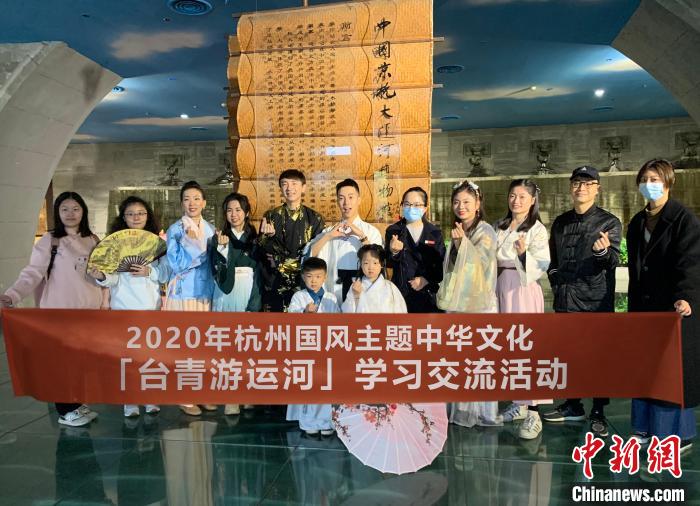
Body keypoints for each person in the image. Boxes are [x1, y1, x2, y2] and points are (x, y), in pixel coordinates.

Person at [0, 192, 104, 427]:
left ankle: (76, 403)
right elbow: (33, 272)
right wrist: (12, 295)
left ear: (83, 211)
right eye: (64, 209)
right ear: (57, 212)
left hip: (88, 314)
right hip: (58, 314)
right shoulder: (50, 240)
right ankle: (65, 411)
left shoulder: (93, 239)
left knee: (81, 362)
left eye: (75, 208)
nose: (70, 214)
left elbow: (103, 276)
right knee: (62, 363)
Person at [626, 158, 699, 454]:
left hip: (673, 309)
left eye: (655, 179)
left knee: (671, 373)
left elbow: (692, 263)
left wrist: (686, 296)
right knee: (644, 370)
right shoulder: (637, 222)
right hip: (644, 310)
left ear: (669, 182)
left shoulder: (683, 219)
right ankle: (643, 428)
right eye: (644, 179)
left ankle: (676, 435)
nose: (649, 184)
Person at [542, 166, 621, 437]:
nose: (581, 188)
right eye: (577, 183)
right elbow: (552, 258)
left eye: (588, 184)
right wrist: (555, 280)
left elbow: (613, 260)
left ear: (598, 188)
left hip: (595, 302)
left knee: (598, 359)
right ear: (570, 187)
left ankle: (598, 410)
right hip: (566, 300)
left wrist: (602, 252)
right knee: (568, 355)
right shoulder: (561, 222)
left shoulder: (609, 222)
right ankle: (572, 404)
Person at [88, 196, 170, 418]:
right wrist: (101, 276)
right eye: (131, 214)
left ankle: (151, 398)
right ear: (123, 217)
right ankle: (130, 401)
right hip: (122, 308)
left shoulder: (157, 244)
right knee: (127, 358)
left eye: (141, 213)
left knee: (150, 356)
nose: (136, 217)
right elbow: (112, 279)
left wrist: (149, 271)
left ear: (148, 216)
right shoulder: (114, 245)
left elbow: (165, 274)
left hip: (150, 308)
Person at [436, 180, 500, 427]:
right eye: (456, 202)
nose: (460, 207)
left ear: (478, 203)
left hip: (479, 304)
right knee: (459, 355)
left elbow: (481, 264)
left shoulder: (486, 231)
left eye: (466, 202)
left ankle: (482, 411)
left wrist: (462, 244)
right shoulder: (459, 228)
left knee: (478, 357)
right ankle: (460, 407)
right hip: (459, 301)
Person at [494, 179, 551, 440]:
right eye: (512, 196)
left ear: (532, 200)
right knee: (507, 347)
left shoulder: (536, 229)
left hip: (523, 288)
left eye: (522, 197)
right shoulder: (500, 226)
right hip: (500, 286)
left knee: (527, 348)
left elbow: (542, 263)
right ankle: (519, 403)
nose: (516, 201)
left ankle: (534, 412)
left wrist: (522, 255)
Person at [164, 180, 217, 416]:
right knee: (184, 347)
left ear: (204, 202)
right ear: (181, 204)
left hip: (205, 292)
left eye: (196, 198)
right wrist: (194, 245)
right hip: (183, 294)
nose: (192, 203)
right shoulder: (176, 230)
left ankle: (202, 392)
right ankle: (184, 396)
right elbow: (176, 265)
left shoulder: (211, 229)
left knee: (204, 346)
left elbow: (215, 262)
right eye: (187, 199)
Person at [209, 192, 262, 416]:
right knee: (228, 347)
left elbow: (260, 271)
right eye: (229, 210)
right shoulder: (219, 238)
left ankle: (246, 392)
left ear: (246, 212)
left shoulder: (255, 238)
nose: (234, 214)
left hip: (249, 289)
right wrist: (221, 250)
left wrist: (254, 304)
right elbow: (215, 269)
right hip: (226, 292)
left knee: (247, 346)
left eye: (238, 210)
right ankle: (230, 397)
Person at [286, 257, 340, 435]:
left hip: (326, 349)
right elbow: (290, 319)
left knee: (325, 384)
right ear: (303, 277)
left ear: (325, 277)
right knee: (309, 384)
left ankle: (326, 422)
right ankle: (308, 422)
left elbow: (338, 323)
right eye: (309, 276)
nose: (313, 281)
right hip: (306, 349)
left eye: (318, 276)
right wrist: (304, 312)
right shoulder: (299, 297)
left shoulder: (331, 298)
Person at [258, 169, 324, 311]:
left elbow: (317, 253)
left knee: (302, 320)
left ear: (303, 187)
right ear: (280, 188)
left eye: (294, 183)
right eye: (285, 184)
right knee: (277, 321)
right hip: (276, 281)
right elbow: (262, 250)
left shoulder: (314, 218)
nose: (289, 188)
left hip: (304, 281)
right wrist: (269, 237)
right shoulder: (271, 216)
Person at [307, 179, 382, 303]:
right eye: (341, 198)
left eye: (351, 197)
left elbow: (377, 261)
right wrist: (328, 236)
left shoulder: (371, 231)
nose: (346, 203)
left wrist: (361, 236)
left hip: (362, 294)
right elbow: (309, 256)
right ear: (337, 201)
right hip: (333, 293)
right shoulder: (329, 231)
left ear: (359, 200)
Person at [385, 186, 445, 313]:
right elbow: (388, 263)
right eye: (407, 204)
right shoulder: (393, 231)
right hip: (401, 295)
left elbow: (441, 266)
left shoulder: (434, 233)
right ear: (402, 206)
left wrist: (426, 279)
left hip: (428, 296)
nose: (411, 208)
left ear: (425, 208)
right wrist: (394, 252)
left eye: (417, 205)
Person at [341, 244, 407, 314]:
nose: (370, 267)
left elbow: (401, 312)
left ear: (381, 264)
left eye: (375, 263)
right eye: (366, 263)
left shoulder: (391, 287)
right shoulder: (356, 287)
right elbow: (347, 314)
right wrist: (356, 296)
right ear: (361, 264)